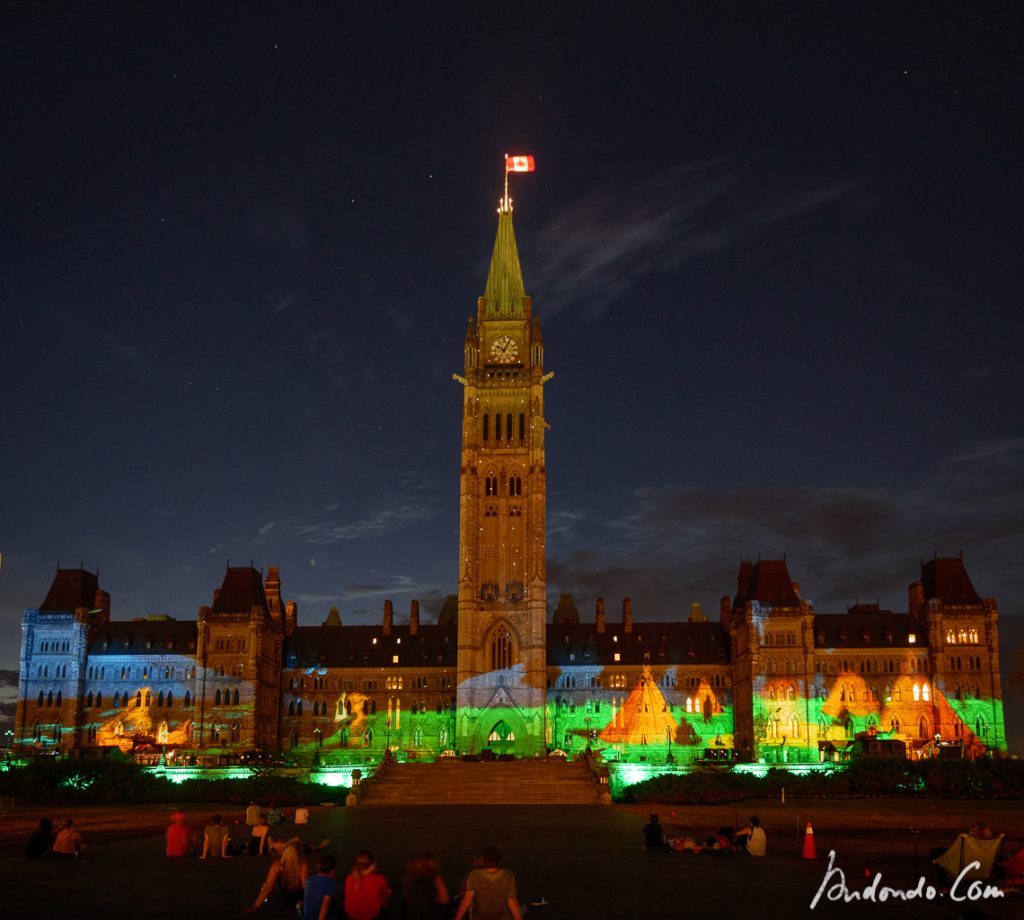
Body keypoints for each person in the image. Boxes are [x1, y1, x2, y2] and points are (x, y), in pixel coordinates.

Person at [453, 845, 521, 920]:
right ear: (499, 862)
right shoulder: (508, 875)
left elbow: (466, 902)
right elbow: (512, 902)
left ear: (482, 861)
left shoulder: (475, 875)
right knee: (523, 908)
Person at [243, 837, 309, 914]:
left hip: (286, 900)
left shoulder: (277, 865)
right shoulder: (303, 864)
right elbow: (305, 886)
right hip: (301, 899)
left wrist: (254, 907)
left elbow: (268, 887)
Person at [401, 851, 451, 919]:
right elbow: (445, 900)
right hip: (431, 915)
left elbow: (406, 897)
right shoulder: (436, 879)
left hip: (412, 915)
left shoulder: (408, 878)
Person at [344, 849, 391, 920]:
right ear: (372, 865)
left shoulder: (349, 878)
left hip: (352, 917)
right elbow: (387, 894)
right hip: (372, 916)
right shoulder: (379, 879)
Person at [302, 853, 339, 920]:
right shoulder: (330, 883)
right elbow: (325, 905)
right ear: (333, 871)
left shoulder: (311, 879)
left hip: (307, 916)